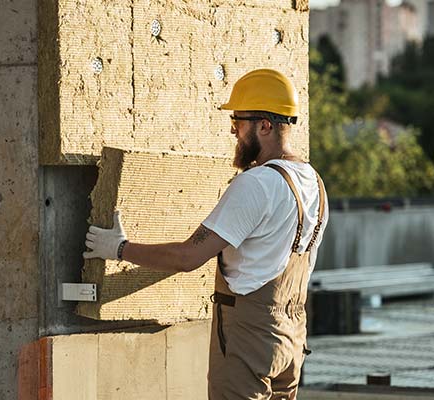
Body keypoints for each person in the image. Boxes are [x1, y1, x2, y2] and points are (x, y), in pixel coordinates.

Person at [83, 68, 329, 400]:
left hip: (249, 335)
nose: (234, 132)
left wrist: (120, 248)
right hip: (290, 335)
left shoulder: (257, 184)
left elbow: (188, 257)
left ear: (265, 126)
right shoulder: (313, 182)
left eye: (239, 123)